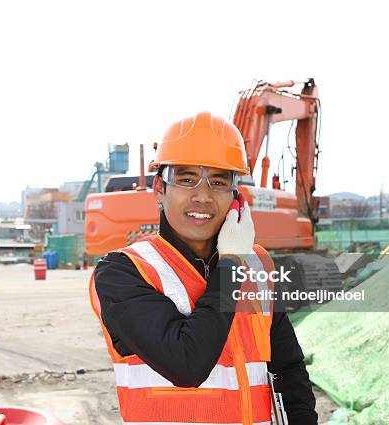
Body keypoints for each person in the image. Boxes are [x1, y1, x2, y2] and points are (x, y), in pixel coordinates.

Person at [89, 112, 318, 425]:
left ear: (236, 198)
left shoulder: (257, 266)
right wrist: (232, 264)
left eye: (219, 182)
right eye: (186, 179)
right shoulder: (123, 272)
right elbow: (186, 364)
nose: (203, 195)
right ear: (159, 189)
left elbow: (288, 369)